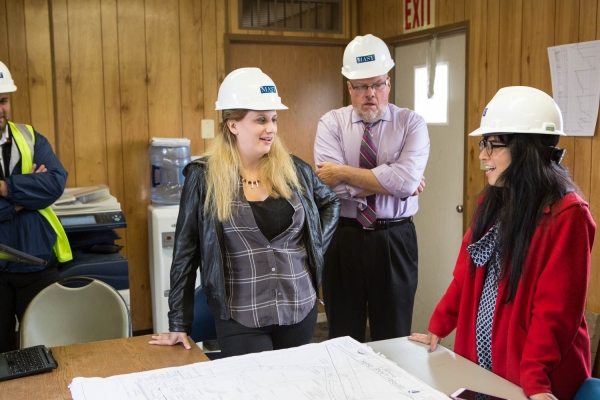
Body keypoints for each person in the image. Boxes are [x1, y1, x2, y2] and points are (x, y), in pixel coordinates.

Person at [409, 86, 595, 400]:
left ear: (526, 148)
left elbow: (556, 313)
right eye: (484, 143)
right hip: (483, 367)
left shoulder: (567, 215)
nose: (483, 155)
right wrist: (439, 324)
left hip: (534, 376)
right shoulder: (494, 200)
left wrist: (535, 380)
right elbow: (465, 274)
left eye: (493, 145)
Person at [149, 68, 340, 357]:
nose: (271, 128)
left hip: (299, 308)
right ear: (233, 125)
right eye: (260, 119)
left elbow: (330, 203)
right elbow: (186, 252)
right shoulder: (204, 178)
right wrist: (178, 321)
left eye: (274, 119)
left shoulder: (295, 170)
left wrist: (314, 247)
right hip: (240, 315)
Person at [314, 34, 429, 342]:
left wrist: (343, 173)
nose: (370, 94)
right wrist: (392, 183)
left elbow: (404, 181)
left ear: (388, 83)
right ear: (349, 87)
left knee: (393, 336)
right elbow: (328, 188)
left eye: (377, 84)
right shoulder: (331, 123)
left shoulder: (411, 124)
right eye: (361, 86)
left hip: (395, 239)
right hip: (343, 237)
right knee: (343, 336)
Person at [0, 61, 72, 352]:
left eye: (3, 100)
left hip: (38, 265)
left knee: (50, 351)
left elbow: (55, 184)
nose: (0, 109)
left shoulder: (30, 138)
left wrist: (5, 188)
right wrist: (21, 201)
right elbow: (40, 192)